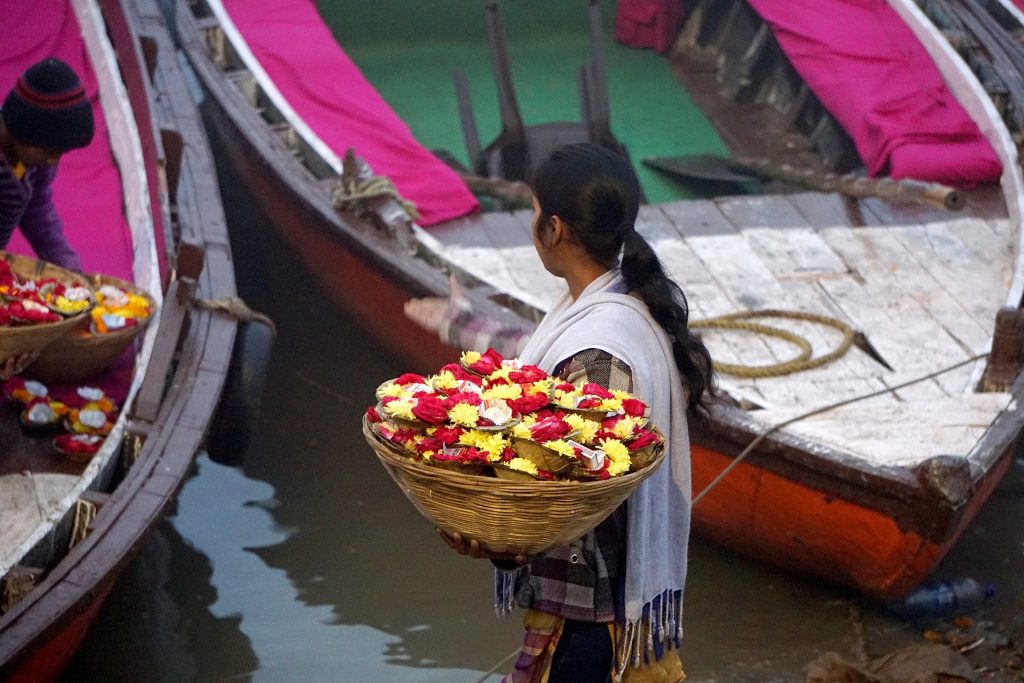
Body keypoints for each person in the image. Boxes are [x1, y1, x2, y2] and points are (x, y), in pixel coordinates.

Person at [406, 143, 714, 682]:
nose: (531, 226)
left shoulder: (599, 353)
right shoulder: (614, 303)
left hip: (593, 614)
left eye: (532, 212)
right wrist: (459, 321)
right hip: (584, 608)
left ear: (554, 228)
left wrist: (495, 539)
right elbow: (536, 356)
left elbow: (575, 501)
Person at [0, 57, 94, 381]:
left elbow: (37, 209)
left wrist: (70, 272)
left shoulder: (35, 159)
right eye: (49, 150)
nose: (54, 160)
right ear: (20, 129)